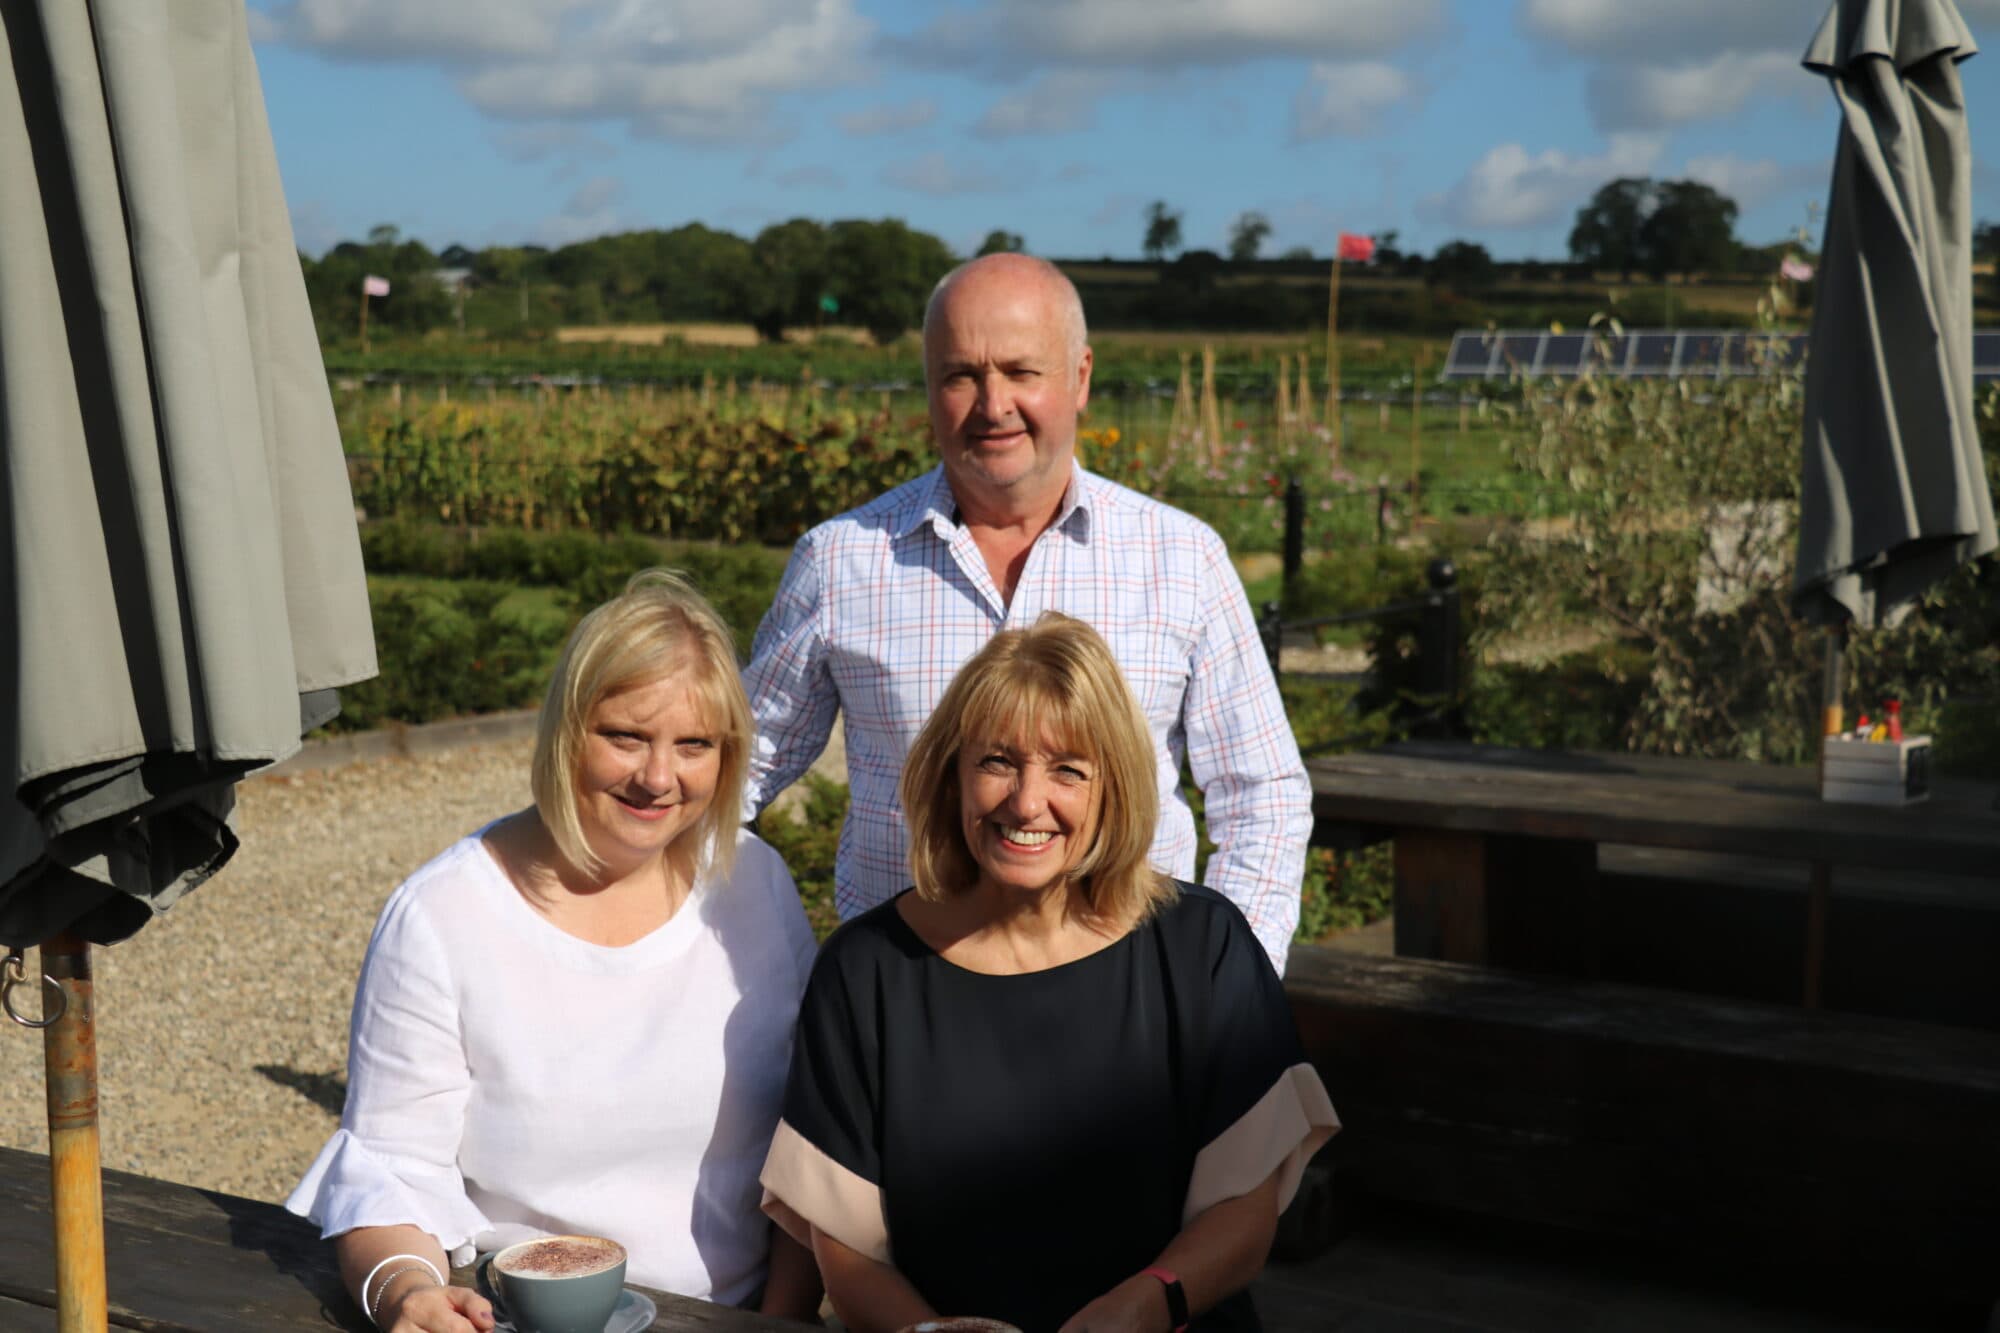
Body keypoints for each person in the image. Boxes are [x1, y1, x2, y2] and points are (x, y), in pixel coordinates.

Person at [759, 613, 1338, 1332]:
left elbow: (1246, 1209)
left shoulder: (1201, 947)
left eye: (1067, 768)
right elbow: (844, 1251)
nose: (1027, 801)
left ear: (1113, 786)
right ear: (952, 774)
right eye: (997, 760)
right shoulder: (866, 972)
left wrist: (1147, 1302)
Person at [741, 252, 1311, 976]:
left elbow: (1263, 795)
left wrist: (1229, 981)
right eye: (961, 375)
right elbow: (735, 774)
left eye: (1020, 371)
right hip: (913, 995)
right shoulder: (844, 561)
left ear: (1079, 378)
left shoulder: (1181, 559)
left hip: (1130, 989)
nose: (992, 403)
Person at [287, 571, 822, 1332]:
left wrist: (780, 1321)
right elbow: (392, 1168)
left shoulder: (755, 885)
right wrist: (408, 1290)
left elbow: (808, 1142)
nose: (658, 777)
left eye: (693, 744)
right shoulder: (444, 913)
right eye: (626, 736)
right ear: (567, 729)